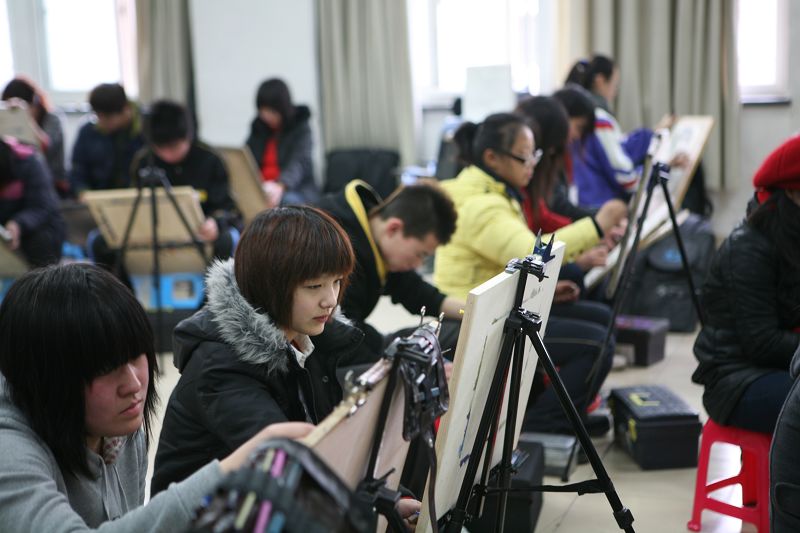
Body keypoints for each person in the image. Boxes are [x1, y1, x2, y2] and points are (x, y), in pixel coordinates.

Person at [0, 262, 315, 531]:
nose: (133, 384)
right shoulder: (9, 452)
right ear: (47, 376)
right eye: (105, 369)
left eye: (136, 355)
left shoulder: (117, 425)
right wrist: (228, 472)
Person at [151, 206, 364, 495]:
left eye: (337, 282)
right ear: (269, 285)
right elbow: (288, 470)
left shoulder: (308, 335)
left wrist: (383, 500)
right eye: (314, 286)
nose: (330, 300)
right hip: (212, 514)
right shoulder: (220, 366)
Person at [433, 112, 626, 300]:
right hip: (469, 312)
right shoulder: (482, 205)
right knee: (595, 317)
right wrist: (596, 226)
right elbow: (529, 254)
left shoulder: (495, 192)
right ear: (492, 158)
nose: (532, 164)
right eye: (524, 157)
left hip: (494, 303)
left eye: (535, 154)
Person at [692, 135, 800, 435]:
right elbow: (762, 343)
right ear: (791, 193)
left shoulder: (790, 237)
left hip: (779, 368)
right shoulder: (748, 249)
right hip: (738, 380)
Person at [316, 179, 463, 362]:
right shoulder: (335, 248)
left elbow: (417, 292)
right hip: (327, 358)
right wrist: (398, 365)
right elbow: (341, 339)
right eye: (420, 254)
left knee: (459, 331)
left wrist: (468, 311)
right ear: (394, 228)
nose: (418, 264)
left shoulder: (371, 231)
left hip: (359, 340)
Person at [131, 100, 238, 259]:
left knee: (227, 239)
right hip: (156, 235)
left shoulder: (210, 160)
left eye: (174, 146)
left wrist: (216, 223)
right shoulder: (144, 162)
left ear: (188, 136)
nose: (167, 154)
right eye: (160, 148)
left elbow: (228, 208)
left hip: (201, 234)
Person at [565, 55, 654, 207]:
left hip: (584, 203)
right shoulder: (599, 119)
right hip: (600, 206)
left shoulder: (577, 114)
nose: (616, 92)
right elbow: (626, 178)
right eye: (615, 84)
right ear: (600, 81)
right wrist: (654, 173)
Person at [245, 78, 319, 206]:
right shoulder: (259, 128)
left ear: (282, 108)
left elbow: (299, 163)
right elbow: (247, 158)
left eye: (271, 111)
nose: (266, 116)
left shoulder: (300, 127)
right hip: (262, 188)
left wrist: (281, 185)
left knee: (287, 201)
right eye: (262, 111)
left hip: (294, 189)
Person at [69, 83, 144, 195]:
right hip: (98, 197)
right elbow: (77, 171)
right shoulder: (88, 132)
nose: (102, 122)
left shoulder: (145, 130)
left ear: (126, 110)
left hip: (138, 197)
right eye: (98, 116)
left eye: (108, 117)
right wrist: (82, 192)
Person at [0, 137, 64, 266]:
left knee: (41, 241)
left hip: (33, 224)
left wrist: (18, 223)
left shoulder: (30, 162)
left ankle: (43, 276)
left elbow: (42, 207)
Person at [2, 76, 66, 195]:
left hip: (52, 184)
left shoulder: (53, 119)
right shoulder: (6, 123)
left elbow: (46, 147)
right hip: (18, 184)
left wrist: (25, 118)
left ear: (35, 103)